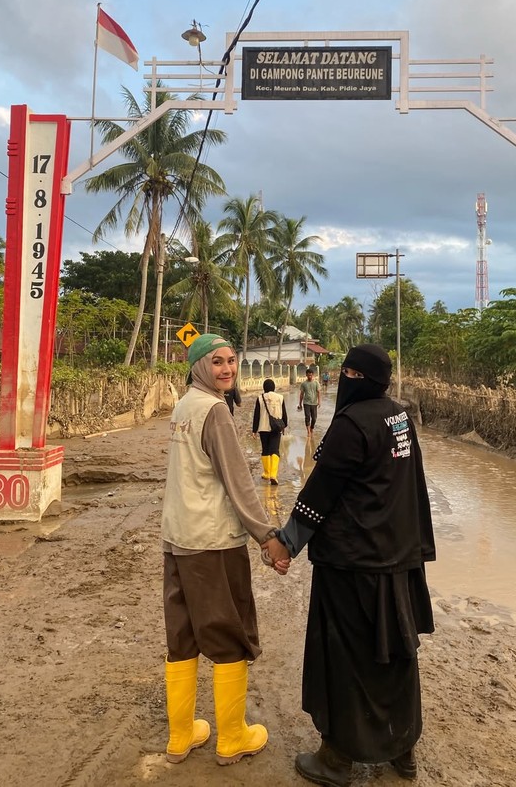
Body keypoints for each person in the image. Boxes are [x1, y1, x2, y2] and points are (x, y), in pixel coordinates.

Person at [273, 344, 436, 785]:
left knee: (344, 656)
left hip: (352, 565)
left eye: (347, 372)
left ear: (358, 378)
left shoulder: (350, 424)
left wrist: (286, 542)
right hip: (397, 558)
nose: (342, 378)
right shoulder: (398, 415)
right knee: (397, 652)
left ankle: (337, 759)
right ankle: (403, 750)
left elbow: (321, 493)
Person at [161, 334, 290, 768]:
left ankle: (181, 736)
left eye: (232, 361)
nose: (227, 369)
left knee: (182, 635)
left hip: (177, 538)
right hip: (212, 541)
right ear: (200, 367)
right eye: (217, 362)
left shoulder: (184, 405)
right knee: (229, 632)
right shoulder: (214, 411)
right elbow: (237, 482)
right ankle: (232, 737)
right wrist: (267, 537)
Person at [252, 379, 288, 485]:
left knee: (265, 450)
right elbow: (284, 414)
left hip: (263, 428)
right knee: (275, 450)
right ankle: (273, 474)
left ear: (264, 387)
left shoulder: (260, 398)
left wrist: (254, 430)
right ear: (274, 387)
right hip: (276, 428)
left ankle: (267, 473)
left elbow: (256, 415)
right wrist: (284, 425)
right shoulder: (280, 398)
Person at [298, 367, 321, 436]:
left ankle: (312, 428)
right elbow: (302, 394)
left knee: (314, 418)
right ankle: (308, 431)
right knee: (307, 417)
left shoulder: (316, 383)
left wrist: (319, 401)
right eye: (308, 375)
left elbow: (319, 392)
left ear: (313, 375)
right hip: (306, 403)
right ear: (306, 375)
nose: (309, 376)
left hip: (314, 403)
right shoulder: (304, 384)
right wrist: (300, 403)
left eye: (311, 375)